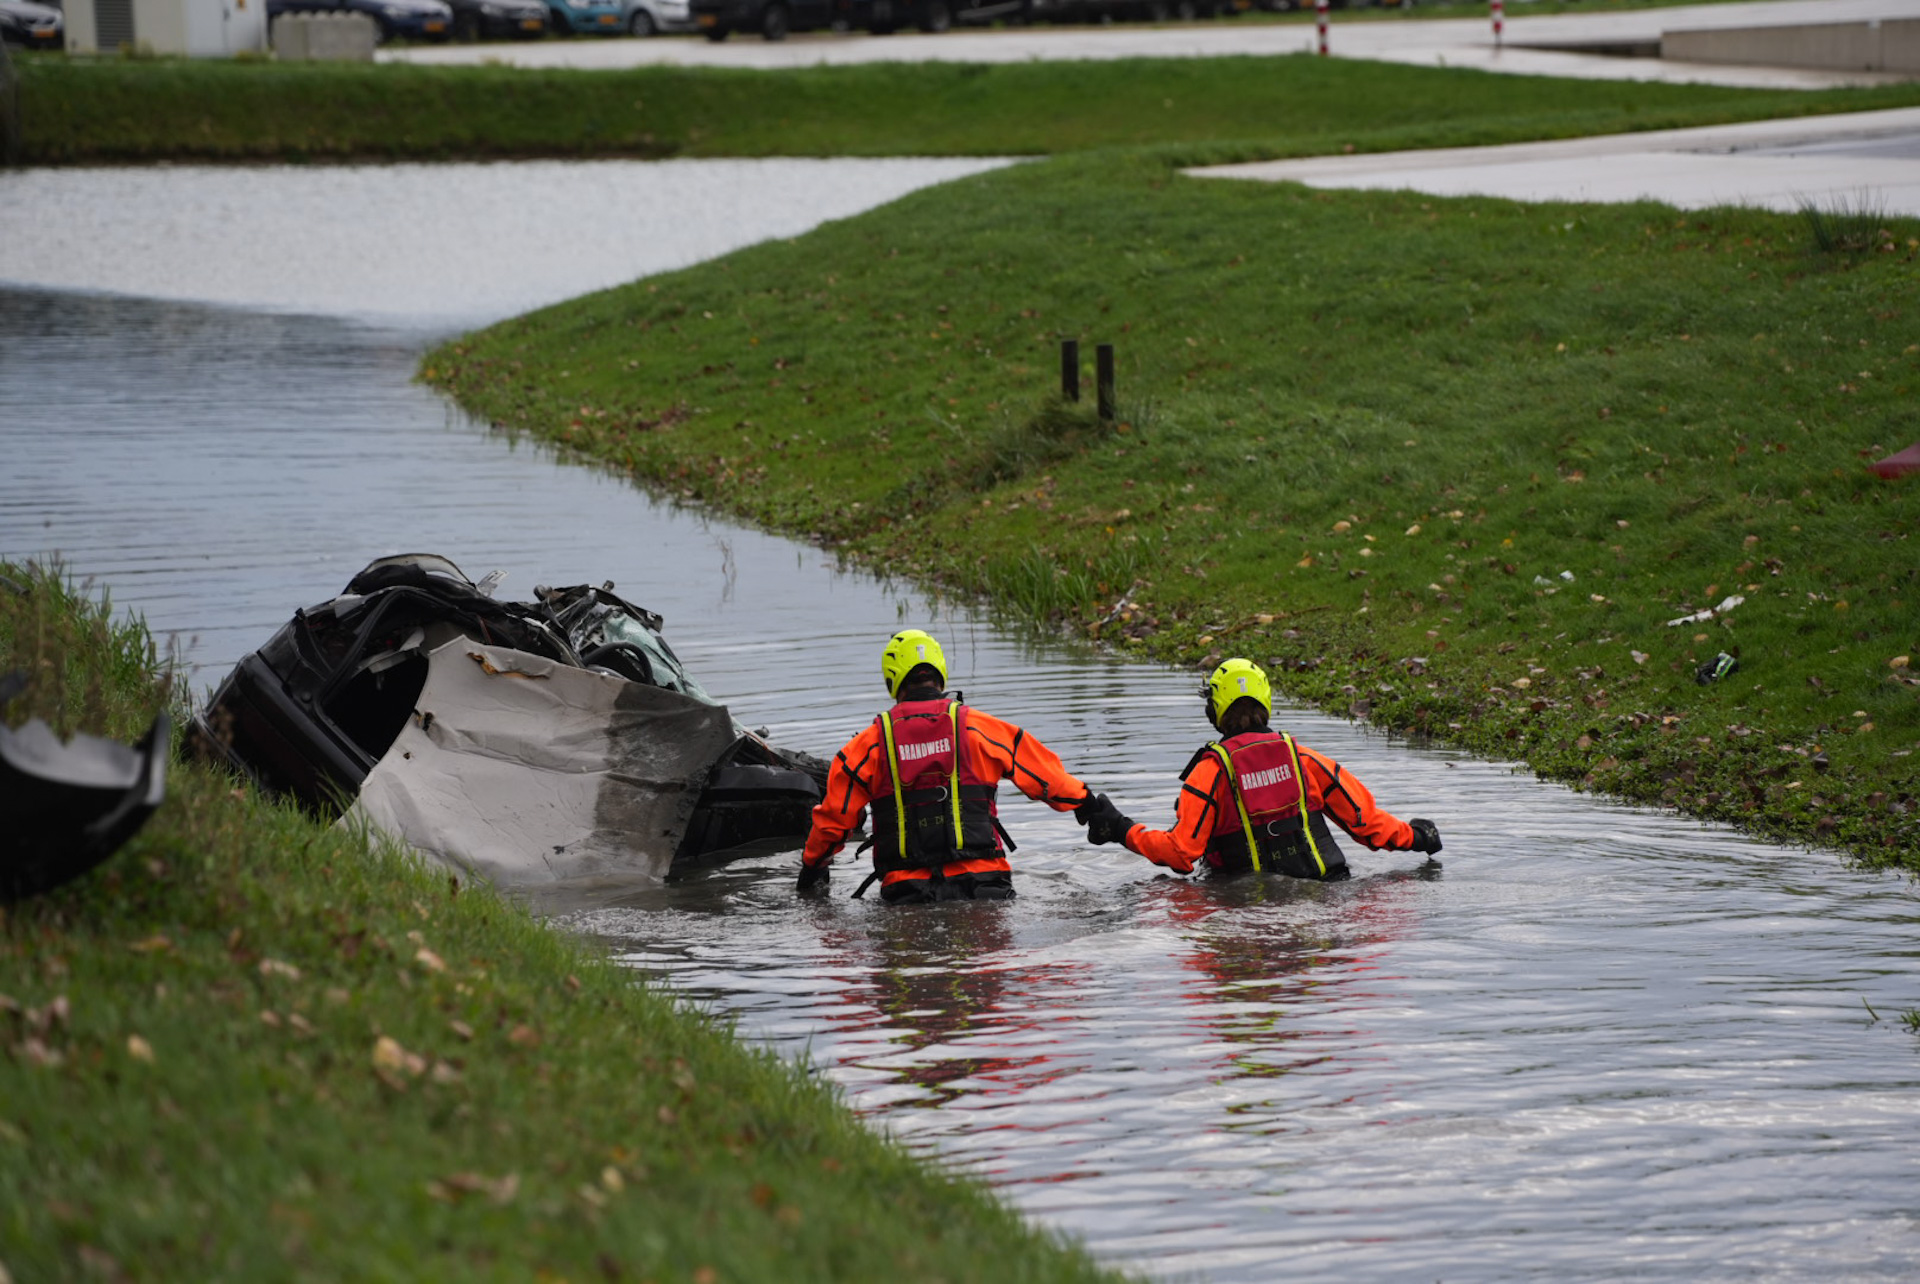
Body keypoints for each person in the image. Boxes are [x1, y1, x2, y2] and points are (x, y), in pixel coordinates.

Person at [796, 629, 1124, 904]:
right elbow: (1050, 780)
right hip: (986, 887)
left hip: (907, 895)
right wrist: (1090, 807)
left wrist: (812, 869)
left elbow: (832, 823)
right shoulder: (982, 729)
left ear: (891, 680)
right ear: (940, 672)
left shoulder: (866, 747)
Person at [1085, 658, 1442, 879]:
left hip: (1241, 909)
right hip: (1329, 890)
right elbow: (1367, 825)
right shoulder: (1305, 760)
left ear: (1214, 711)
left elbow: (1181, 853)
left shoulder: (1209, 773)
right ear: (1266, 700)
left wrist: (1120, 828)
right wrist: (1417, 836)